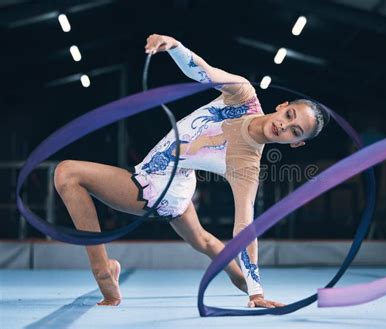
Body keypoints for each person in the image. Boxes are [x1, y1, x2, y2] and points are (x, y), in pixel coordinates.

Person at [53, 33, 328, 308]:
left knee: (67, 174)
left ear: (296, 143)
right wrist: (175, 46)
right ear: (282, 106)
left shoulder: (246, 165)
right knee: (203, 241)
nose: (284, 126)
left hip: (160, 186)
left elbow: (245, 226)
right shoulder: (242, 95)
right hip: (181, 182)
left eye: (295, 131)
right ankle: (243, 280)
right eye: (289, 116)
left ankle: (103, 270)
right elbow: (204, 72)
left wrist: (258, 293)